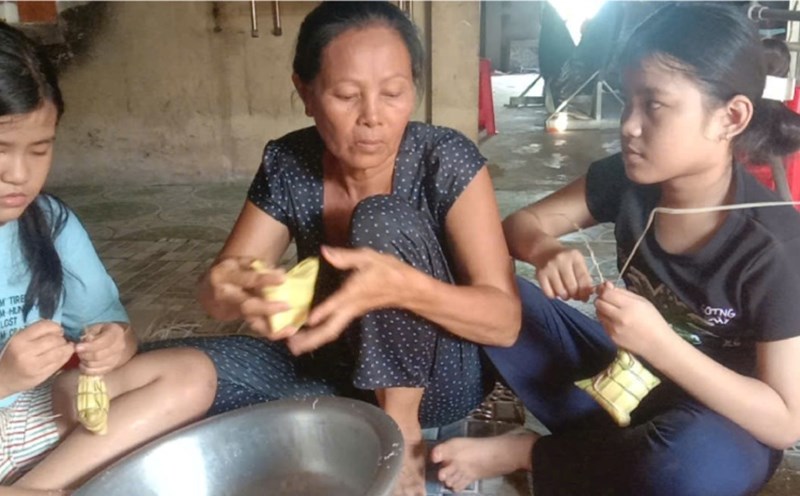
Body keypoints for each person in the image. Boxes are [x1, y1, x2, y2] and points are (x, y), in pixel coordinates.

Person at [144, 2, 519, 495]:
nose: (373, 118)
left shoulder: (444, 159)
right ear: (305, 92)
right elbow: (221, 290)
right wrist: (232, 288)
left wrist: (406, 290)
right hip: (336, 374)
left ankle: (401, 429)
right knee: (168, 368)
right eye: (346, 95)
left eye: (393, 93)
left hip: (440, 383)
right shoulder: (289, 162)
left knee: (380, 220)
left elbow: (504, 322)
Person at [431, 4, 800, 495]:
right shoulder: (627, 182)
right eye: (629, 100)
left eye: (655, 105)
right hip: (625, 383)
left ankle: (531, 453)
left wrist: (661, 344)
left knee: (686, 469)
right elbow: (521, 224)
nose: (629, 125)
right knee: (481, 288)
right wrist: (544, 250)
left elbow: (784, 421)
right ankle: (605, 452)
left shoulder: (774, 244)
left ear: (729, 117)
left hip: (720, 423)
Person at [0, 22, 217, 495]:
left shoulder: (50, 224)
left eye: (39, 150)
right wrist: (3, 376)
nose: (18, 174)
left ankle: (37, 487)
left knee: (190, 374)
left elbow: (116, 335)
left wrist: (112, 344)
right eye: (0, 150)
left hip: (23, 418)